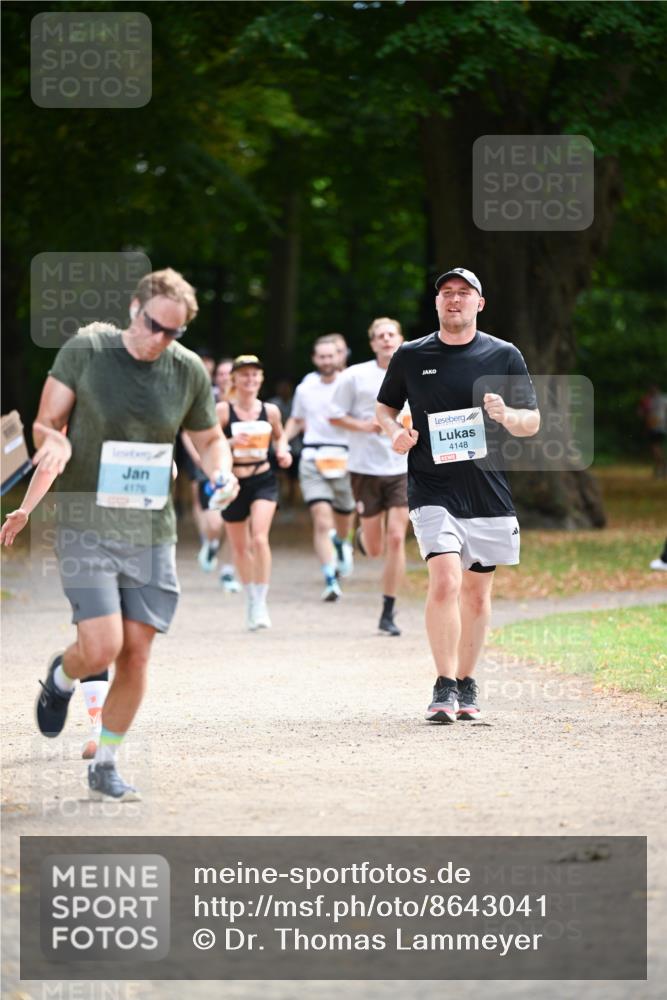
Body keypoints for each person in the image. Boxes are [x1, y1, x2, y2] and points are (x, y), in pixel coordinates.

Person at [31, 267, 238, 800]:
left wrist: (224, 470)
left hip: (149, 527)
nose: (160, 340)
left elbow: (210, 437)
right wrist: (52, 442)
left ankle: (106, 760)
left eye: (173, 333)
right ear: (134, 308)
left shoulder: (186, 370)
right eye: (154, 326)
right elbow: (45, 421)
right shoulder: (87, 350)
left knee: (138, 652)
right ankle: (62, 675)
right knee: (100, 646)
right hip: (86, 521)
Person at [376, 267, 540, 723]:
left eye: (463, 294)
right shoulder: (411, 355)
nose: (454, 300)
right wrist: (395, 432)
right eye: (446, 293)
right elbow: (384, 408)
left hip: (486, 488)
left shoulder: (504, 355)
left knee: (476, 594)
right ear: (436, 303)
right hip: (431, 485)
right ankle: (443, 683)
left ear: (479, 304)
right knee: (446, 578)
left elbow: (533, 422)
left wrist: (508, 414)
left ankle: (467, 681)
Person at [330, 317, 409, 636]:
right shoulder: (355, 376)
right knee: (375, 548)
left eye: (391, 334)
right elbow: (334, 415)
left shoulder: (415, 370)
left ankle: (388, 610)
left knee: (396, 537)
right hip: (364, 468)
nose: (386, 339)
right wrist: (365, 426)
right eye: (380, 336)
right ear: (372, 343)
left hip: (402, 467)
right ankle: (362, 536)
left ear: (401, 339)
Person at [202, 354, 292, 630]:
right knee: (240, 547)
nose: (250, 380)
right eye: (244, 375)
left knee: (259, 538)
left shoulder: (271, 411)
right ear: (235, 379)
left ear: (260, 379)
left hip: (263, 478)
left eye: (255, 375)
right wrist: (230, 440)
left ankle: (262, 601)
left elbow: (280, 435)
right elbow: (210, 443)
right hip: (233, 484)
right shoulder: (222, 411)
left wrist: (283, 450)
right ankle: (251, 598)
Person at [285, 337, 355, 601]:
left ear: (339, 356)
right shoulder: (306, 387)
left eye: (331, 356)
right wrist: (282, 442)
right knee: (322, 518)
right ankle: (330, 578)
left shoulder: (351, 383)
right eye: (321, 357)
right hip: (313, 455)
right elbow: (296, 419)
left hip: (345, 456)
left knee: (344, 516)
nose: (327, 361)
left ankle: (342, 543)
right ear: (315, 359)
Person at [638, 385, 667, 478]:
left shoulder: (649, 400)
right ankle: (662, 468)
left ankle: (661, 468)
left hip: (653, 426)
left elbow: (641, 413)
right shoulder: (664, 398)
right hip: (662, 426)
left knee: (655, 447)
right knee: (658, 447)